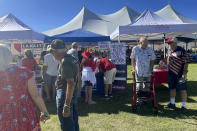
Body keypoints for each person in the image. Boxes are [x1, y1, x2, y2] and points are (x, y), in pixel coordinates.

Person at [0, 44, 50, 131]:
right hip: (24, 112)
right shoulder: (24, 72)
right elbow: (36, 95)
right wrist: (44, 112)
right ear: (9, 56)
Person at [51, 39, 79, 131]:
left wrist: (66, 105)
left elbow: (70, 83)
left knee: (67, 124)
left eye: (52, 52)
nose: (52, 54)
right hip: (71, 94)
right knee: (73, 122)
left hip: (65, 94)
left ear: (55, 51)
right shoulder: (72, 58)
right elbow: (77, 76)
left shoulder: (65, 61)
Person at [166, 37, 189, 113]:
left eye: (170, 43)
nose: (168, 45)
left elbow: (185, 62)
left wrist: (184, 73)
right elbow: (168, 60)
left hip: (180, 74)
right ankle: (172, 104)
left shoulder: (182, 51)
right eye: (168, 43)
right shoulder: (169, 50)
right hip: (171, 73)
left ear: (175, 43)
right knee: (172, 88)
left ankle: (184, 106)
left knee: (182, 90)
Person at [130, 37, 156, 103]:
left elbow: (152, 59)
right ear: (140, 43)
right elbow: (132, 59)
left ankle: (146, 98)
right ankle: (139, 100)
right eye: (145, 43)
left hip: (147, 71)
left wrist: (151, 68)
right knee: (139, 85)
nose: (147, 45)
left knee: (147, 85)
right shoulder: (135, 49)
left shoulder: (150, 48)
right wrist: (133, 69)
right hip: (139, 71)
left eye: (147, 43)